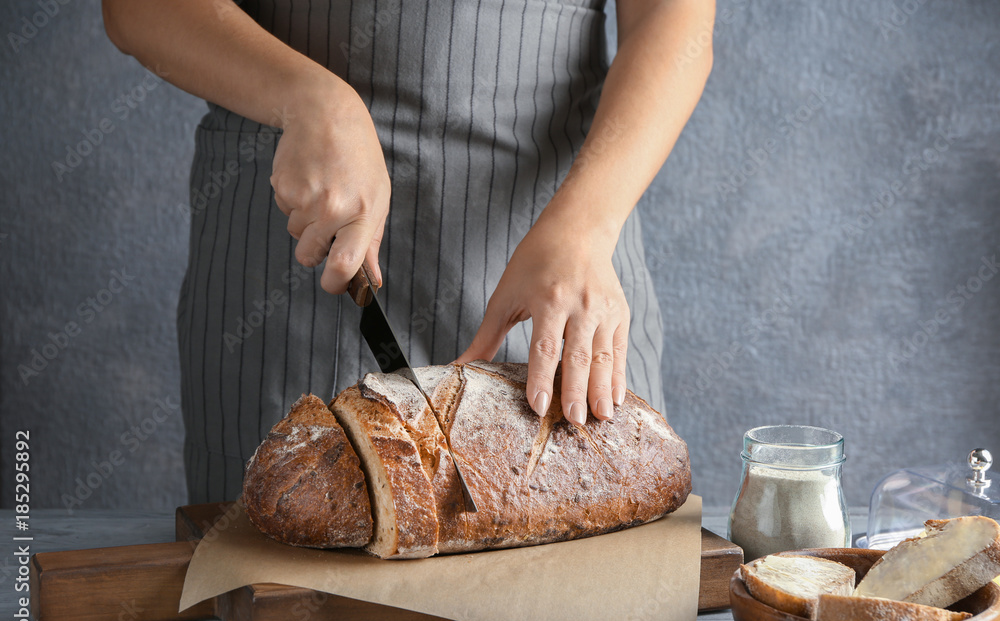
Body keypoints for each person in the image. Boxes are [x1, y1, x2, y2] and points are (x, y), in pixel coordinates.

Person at [102, 0, 715, 503]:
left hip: (566, 269)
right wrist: (308, 96)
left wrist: (586, 225)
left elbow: (675, 18)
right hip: (292, 281)